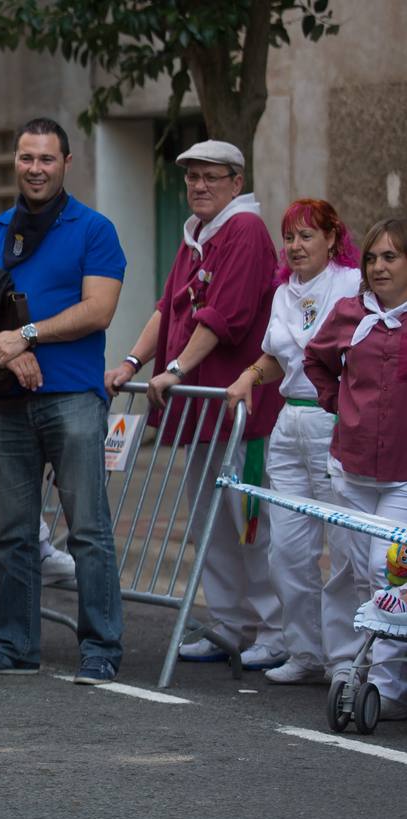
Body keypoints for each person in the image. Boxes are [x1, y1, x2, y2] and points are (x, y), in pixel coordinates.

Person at [0, 118, 127, 685]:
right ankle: (15, 646)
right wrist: (2, 351)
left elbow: (98, 311)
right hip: (6, 405)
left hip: (73, 398)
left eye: (46, 159)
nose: (35, 168)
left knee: (89, 530)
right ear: (15, 162)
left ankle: (100, 649)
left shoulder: (94, 229)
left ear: (66, 163)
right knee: (14, 533)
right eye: (27, 158)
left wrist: (25, 337)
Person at [109, 140, 283, 671]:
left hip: (243, 413)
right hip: (204, 410)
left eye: (211, 177)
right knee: (211, 523)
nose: (199, 186)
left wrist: (177, 369)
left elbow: (223, 316)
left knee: (252, 522)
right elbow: (169, 308)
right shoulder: (197, 236)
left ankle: (276, 632)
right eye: (192, 178)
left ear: (236, 181)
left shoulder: (245, 231)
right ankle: (229, 625)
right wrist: (133, 363)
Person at [224, 199, 364, 685]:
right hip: (289, 427)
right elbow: (276, 359)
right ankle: (306, 652)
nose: (296, 246)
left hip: (335, 423)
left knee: (346, 550)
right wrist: (247, 376)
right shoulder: (284, 292)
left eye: (307, 235)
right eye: (289, 237)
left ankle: (347, 658)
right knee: (286, 550)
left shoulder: (352, 284)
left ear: (332, 238)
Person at [305, 217, 407, 719]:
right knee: (360, 578)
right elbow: (315, 360)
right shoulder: (351, 313)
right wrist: (336, 403)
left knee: (387, 577)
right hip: (352, 469)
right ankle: (361, 672)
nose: (379, 266)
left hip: (402, 476)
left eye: (391, 257)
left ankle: (388, 688)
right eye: (372, 258)